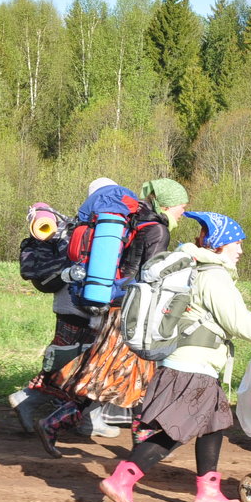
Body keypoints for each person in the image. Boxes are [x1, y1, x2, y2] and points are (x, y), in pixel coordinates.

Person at [98, 211, 251, 502]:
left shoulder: (200, 270)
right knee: (174, 432)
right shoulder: (215, 277)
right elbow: (241, 325)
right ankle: (122, 480)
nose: (240, 250)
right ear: (220, 245)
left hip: (190, 365)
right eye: (236, 243)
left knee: (214, 424)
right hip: (192, 369)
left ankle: (208, 491)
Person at [34, 178, 190, 456]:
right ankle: (141, 453)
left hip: (117, 306)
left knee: (107, 376)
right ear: (165, 204)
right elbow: (150, 276)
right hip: (132, 313)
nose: (183, 212)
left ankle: (54, 424)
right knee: (137, 380)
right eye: (181, 206)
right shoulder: (157, 230)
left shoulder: (135, 220)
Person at [9, 177, 116, 433]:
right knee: (89, 363)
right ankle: (34, 401)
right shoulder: (102, 225)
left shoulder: (78, 223)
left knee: (73, 362)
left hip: (70, 305)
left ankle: (79, 416)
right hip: (86, 307)